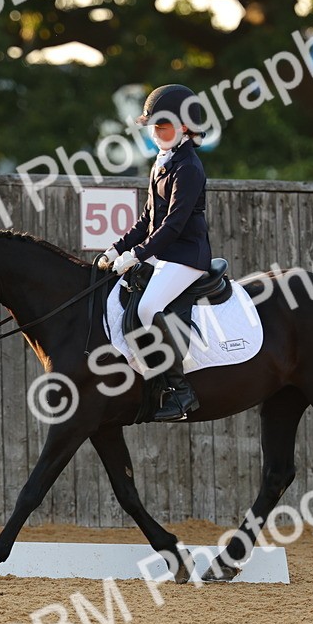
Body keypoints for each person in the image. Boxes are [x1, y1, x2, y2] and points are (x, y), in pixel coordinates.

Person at [101, 84, 212, 422]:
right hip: (164, 252)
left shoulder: (188, 167)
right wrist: (117, 247)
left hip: (187, 256)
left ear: (184, 127)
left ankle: (180, 391)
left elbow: (174, 225)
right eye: (153, 127)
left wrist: (136, 254)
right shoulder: (162, 162)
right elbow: (147, 220)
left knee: (149, 306)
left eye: (162, 126)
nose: (155, 133)